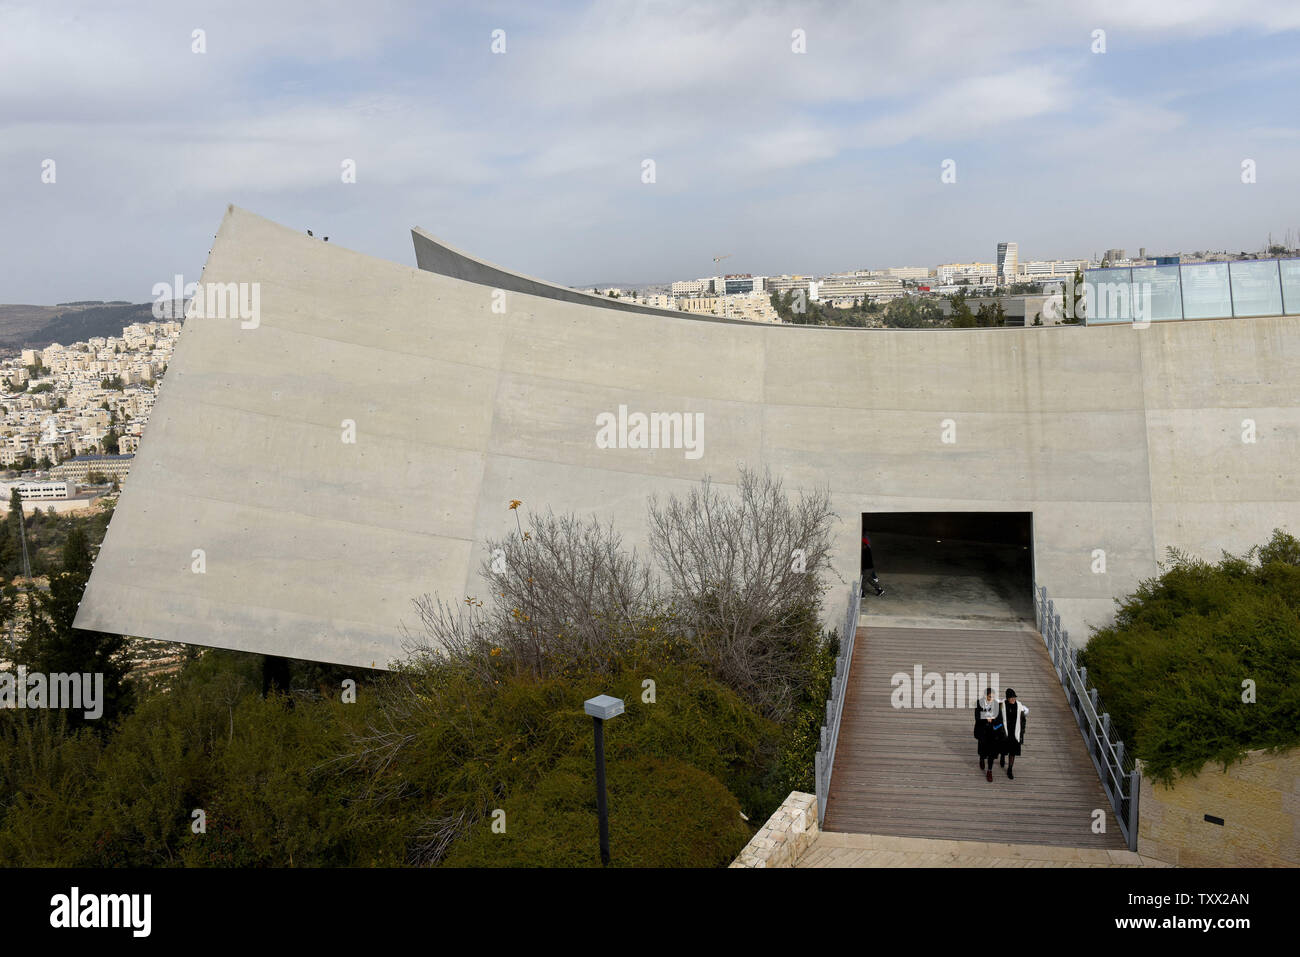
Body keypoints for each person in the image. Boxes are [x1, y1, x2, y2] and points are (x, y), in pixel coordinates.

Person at [998, 688, 1029, 779]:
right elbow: (999, 718)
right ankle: (1003, 757)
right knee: (1004, 748)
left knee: (1013, 752)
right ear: (1007, 698)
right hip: (1005, 731)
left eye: (1014, 697)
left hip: (1015, 731)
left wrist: (1022, 732)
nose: (1013, 699)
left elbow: (1023, 720)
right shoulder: (1002, 705)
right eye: (1011, 698)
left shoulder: (1019, 706)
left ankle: (1010, 769)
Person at [973, 687, 1003, 782]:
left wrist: (995, 724)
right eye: (990, 697)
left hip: (993, 733)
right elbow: (977, 717)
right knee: (982, 751)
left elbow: (1000, 719)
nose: (992, 699)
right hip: (982, 731)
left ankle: (989, 771)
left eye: (993, 697)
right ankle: (981, 758)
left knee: (991, 754)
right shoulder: (979, 703)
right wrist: (986, 717)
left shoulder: (996, 704)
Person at [860, 532, 885, 597]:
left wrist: (862, 567)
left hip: (867, 569)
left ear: (864, 544)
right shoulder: (866, 549)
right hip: (869, 568)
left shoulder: (865, 551)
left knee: (862, 581)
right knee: (870, 580)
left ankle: (862, 594)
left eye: (861, 543)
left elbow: (864, 560)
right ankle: (880, 590)